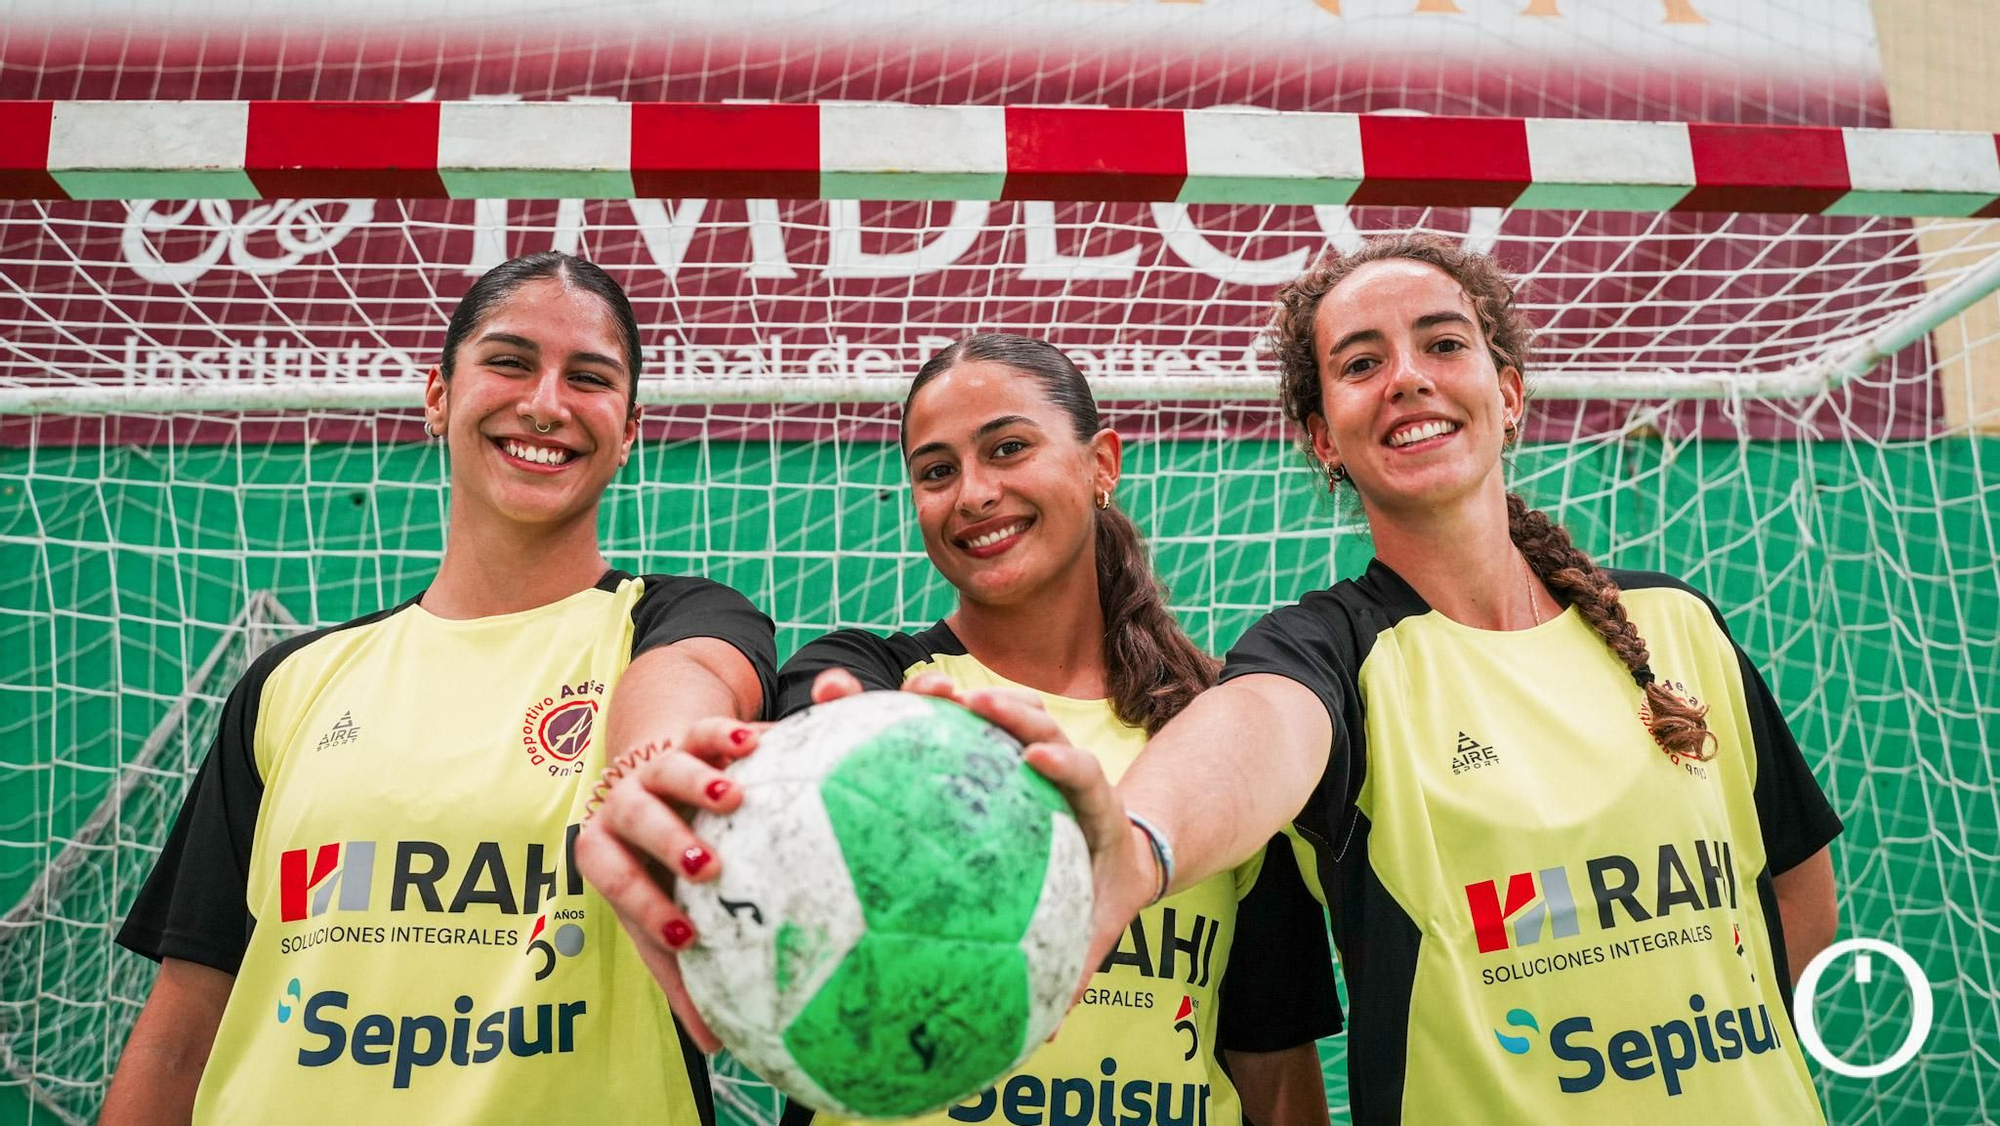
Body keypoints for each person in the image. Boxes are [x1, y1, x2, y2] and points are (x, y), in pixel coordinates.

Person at [1062, 233, 1843, 1124]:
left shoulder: (1676, 625)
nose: (1407, 377)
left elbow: (1798, 894)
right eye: (1362, 363)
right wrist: (1140, 845)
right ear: (1324, 437)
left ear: (1505, 393)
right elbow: (1254, 733)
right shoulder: (1330, 655)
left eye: (1442, 343)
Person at [579, 334, 1338, 1126]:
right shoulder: (866, 683)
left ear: (1100, 463)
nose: (973, 493)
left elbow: (1271, 1054)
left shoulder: (1208, 735)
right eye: (937, 471)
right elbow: (704, 707)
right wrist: (655, 776)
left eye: (1008, 448)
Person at [103, 251, 776, 1126]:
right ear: (438, 397)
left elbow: (687, 686)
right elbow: (182, 1029)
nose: (546, 403)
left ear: (631, 427)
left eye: (590, 377)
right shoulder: (290, 682)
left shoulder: (675, 621)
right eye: (508, 361)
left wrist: (650, 768)